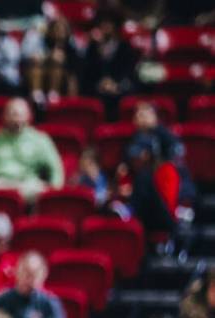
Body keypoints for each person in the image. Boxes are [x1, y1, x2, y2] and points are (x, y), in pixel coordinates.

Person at [116, 102, 194, 236]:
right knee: (142, 178)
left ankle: (130, 210)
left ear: (155, 118)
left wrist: (156, 128)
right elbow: (128, 166)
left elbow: (178, 152)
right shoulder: (132, 141)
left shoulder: (166, 138)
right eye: (139, 114)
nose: (142, 117)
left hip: (166, 207)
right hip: (144, 206)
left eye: (146, 114)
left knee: (150, 176)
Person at [80, 9, 137, 121]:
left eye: (109, 23)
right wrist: (100, 83)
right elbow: (86, 72)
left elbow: (128, 70)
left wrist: (116, 84)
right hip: (96, 88)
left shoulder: (124, 47)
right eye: (103, 23)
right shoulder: (92, 48)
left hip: (118, 88)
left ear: (115, 26)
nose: (105, 26)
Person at [20, 15, 80, 106]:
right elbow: (32, 57)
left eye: (62, 29)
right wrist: (49, 57)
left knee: (57, 63)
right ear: (50, 30)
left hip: (62, 81)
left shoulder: (71, 49)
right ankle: (37, 95)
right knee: (36, 64)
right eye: (57, 28)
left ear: (68, 31)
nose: (59, 31)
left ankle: (53, 94)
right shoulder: (44, 43)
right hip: (42, 77)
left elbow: (74, 71)